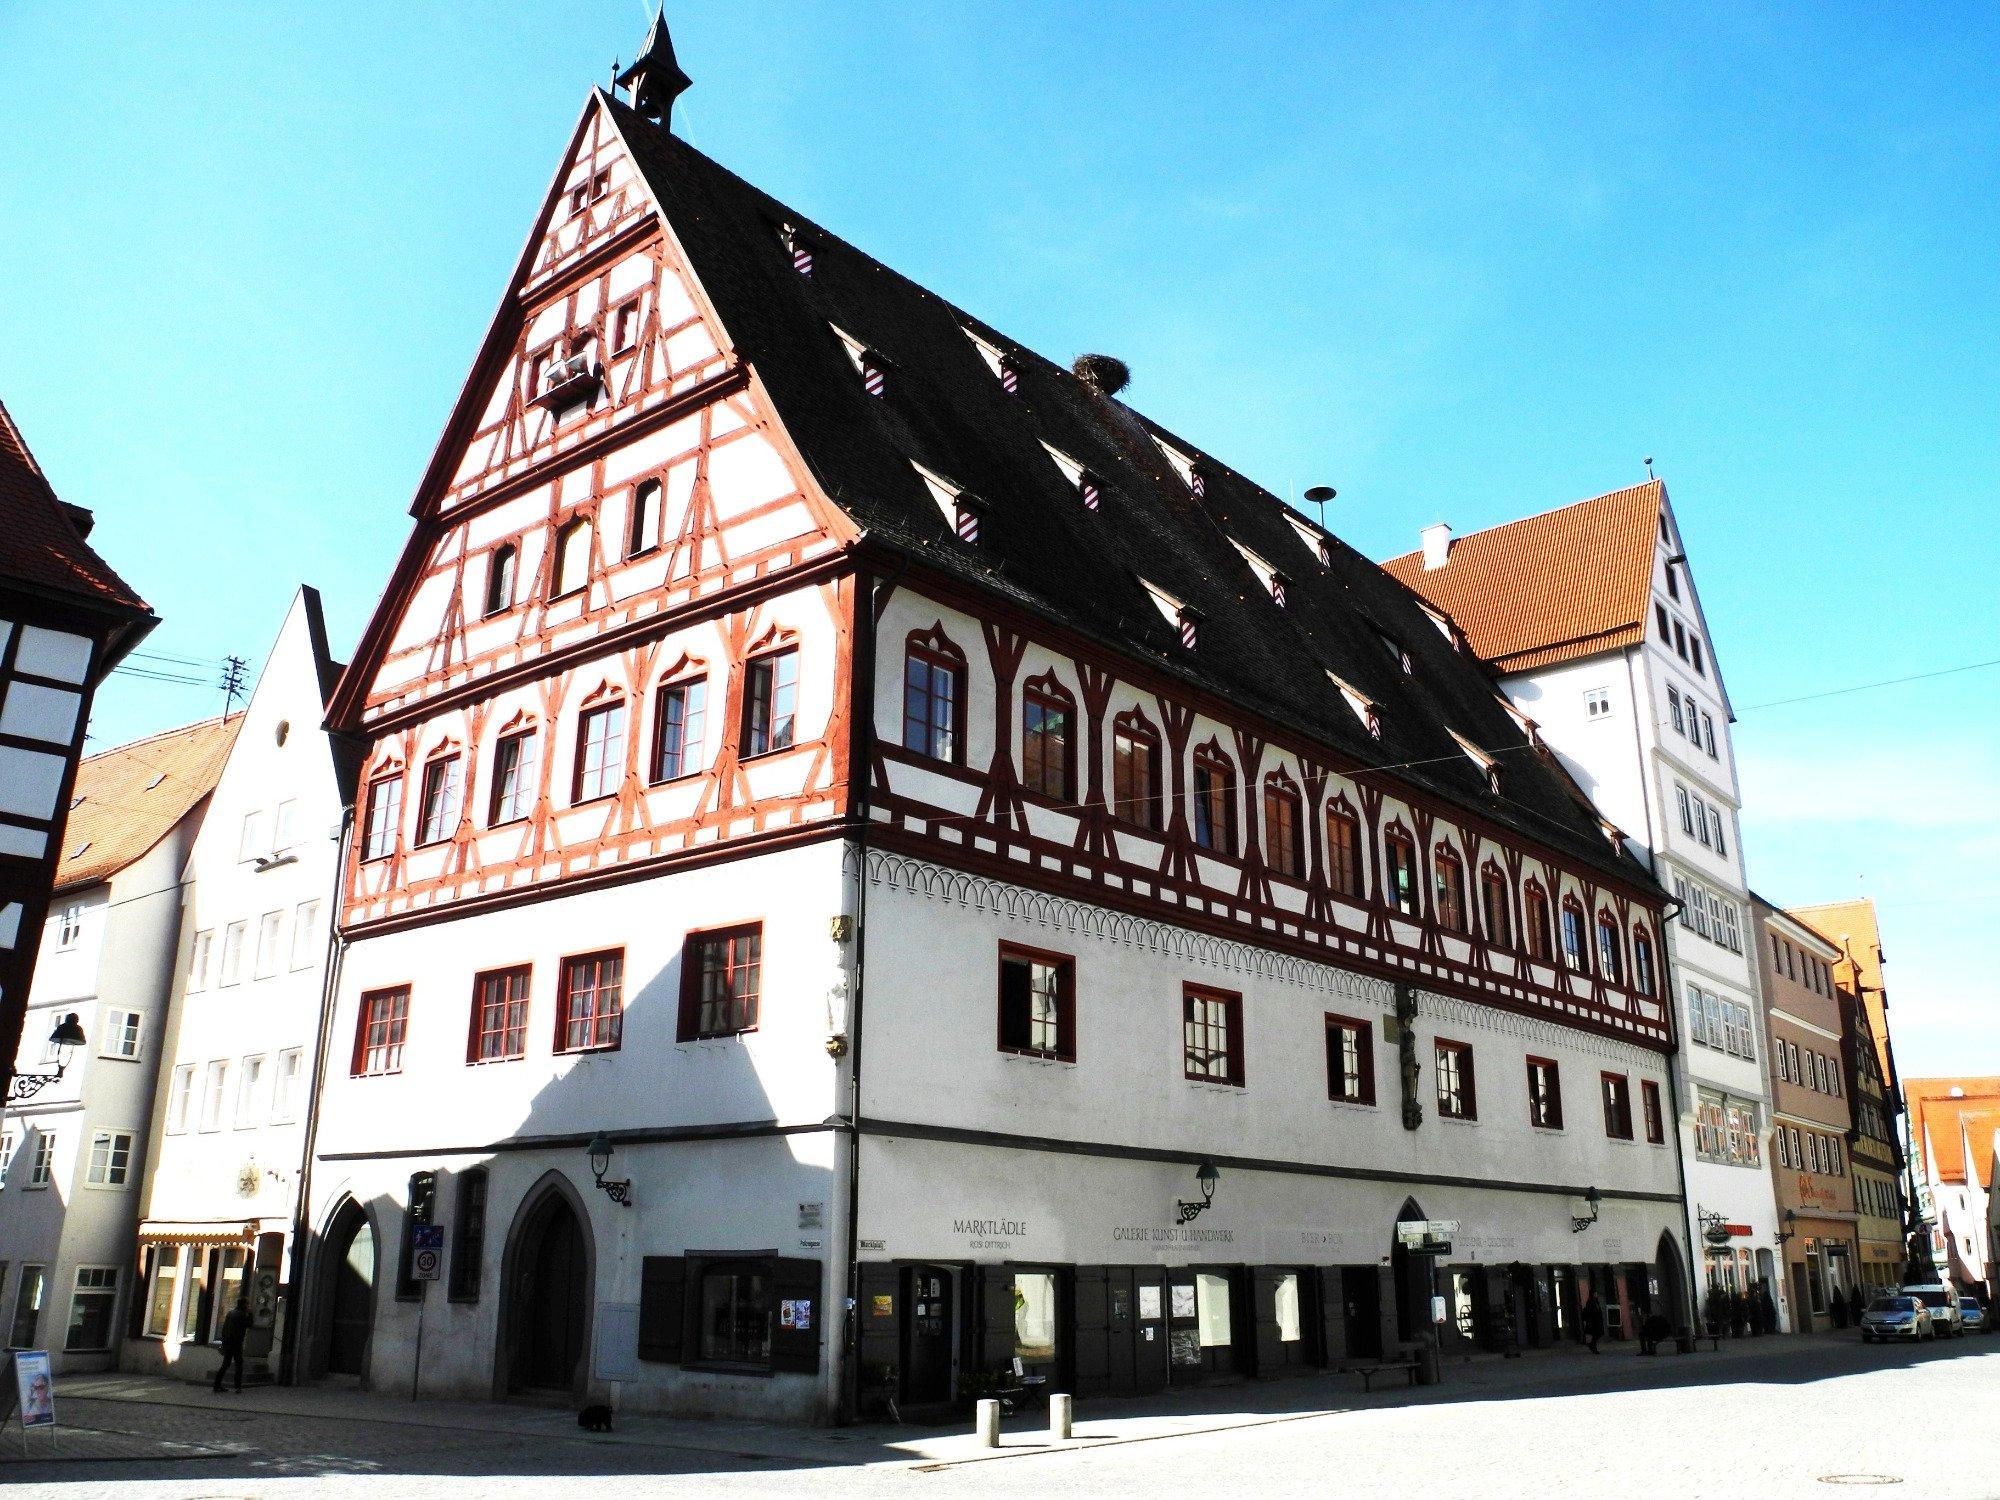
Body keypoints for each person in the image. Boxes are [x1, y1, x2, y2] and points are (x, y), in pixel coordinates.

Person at [213, 1293, 251, 1394]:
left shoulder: (230, 1313)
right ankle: (237, 1386)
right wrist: (250, 1314)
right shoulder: (242, 1315)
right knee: (239, 1364)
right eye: (248, 1304)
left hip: (228, 1342)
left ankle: (217, 1385)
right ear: (244, 1305)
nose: (249, 1306)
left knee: (226, 1364)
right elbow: (250, 1324)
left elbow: (224, 1328)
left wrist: (223, 1341)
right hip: (236, 1343)